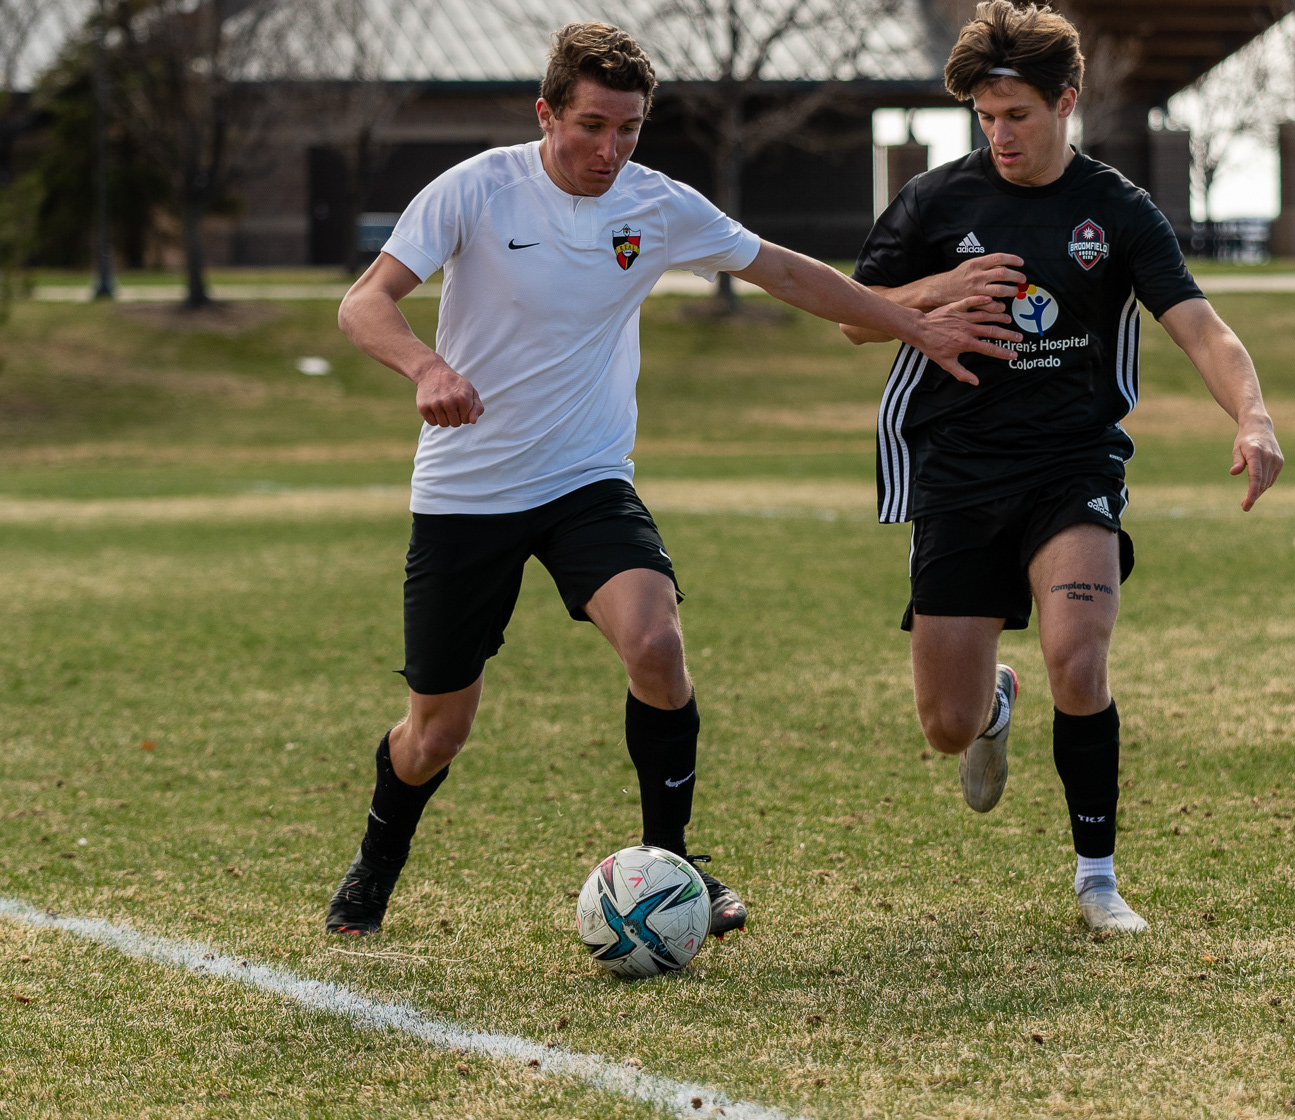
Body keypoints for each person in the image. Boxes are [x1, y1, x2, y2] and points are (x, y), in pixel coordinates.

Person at [325, 21, 1018, 938]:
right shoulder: (476, 188)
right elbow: (364, 303)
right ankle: (375, 867)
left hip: (585, 481)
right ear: (546, 113)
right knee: (436, 733)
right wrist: (427, 368)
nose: (609, 150)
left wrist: (911, 323)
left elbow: (786, 273)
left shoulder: (657, 205)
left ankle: (673, 864)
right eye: (591, 126)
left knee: (656, 643)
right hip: (469, 493)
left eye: (628, 130)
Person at [839, 1, 1283, 933]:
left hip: (1072, 462)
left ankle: (1097, 879)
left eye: (1018, 115)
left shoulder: (1116, 210)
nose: (999, 135)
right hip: (958, 468)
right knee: (945, 726)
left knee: (1078, 659)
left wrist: (1251, 414)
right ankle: (992, 705)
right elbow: (854, 314)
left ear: (1066, 101)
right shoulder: (934, 201)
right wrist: (940, 289)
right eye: (985, 117)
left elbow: (1201, 328)